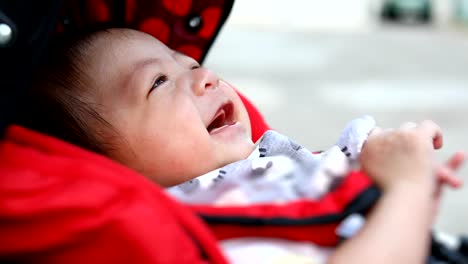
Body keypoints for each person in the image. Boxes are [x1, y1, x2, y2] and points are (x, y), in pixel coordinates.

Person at [18, 28, 465, 263]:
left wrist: (383, 157)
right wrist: (407, 187)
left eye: (188, 61)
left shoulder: (249, 171)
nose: (203, 75)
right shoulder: (210, 224)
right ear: (102, 170)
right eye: (157, 82)